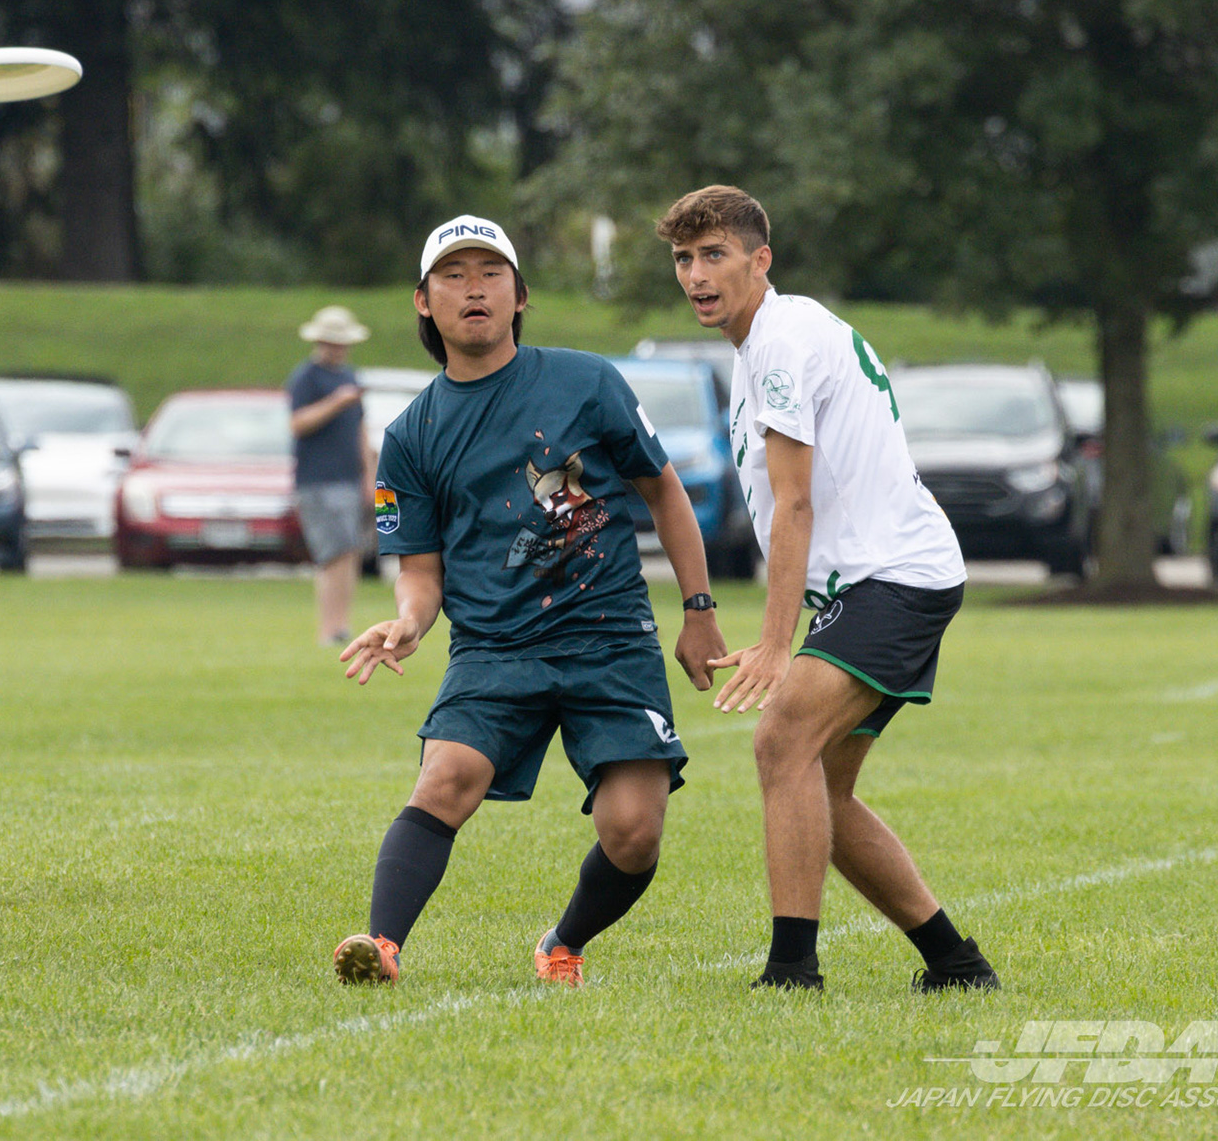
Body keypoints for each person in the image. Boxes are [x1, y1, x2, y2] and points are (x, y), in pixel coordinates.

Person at [331, 215, 727, 988]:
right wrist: (409, 621)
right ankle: (380, 947)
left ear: (519, 296)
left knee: (633, 831)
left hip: (609, 637)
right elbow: (420, 570)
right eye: (453, 275)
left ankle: (562, 943)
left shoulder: (587, 381)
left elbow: (664, 492)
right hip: (495, 647)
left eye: (491, 273)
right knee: (446, 777)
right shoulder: (409, 436)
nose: (473, 288)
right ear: (423, 301)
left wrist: (699, 609)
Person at [656, 184, 999, 992]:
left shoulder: (779, 342)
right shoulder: (767, 340)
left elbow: (795, 504)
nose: (697, 275)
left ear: (760, 260)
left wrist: (777, 646)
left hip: (895, 577)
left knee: (780, 742)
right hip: (881, 580)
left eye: (715, 255)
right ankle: (955, 964)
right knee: (822, 789)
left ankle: (791, 973)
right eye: (683, 258)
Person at [288, 305, 378, 645]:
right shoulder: (306, 377)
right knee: (331, 554)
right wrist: (335, 403)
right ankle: (328, 629)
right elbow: (298, 423)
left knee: (350, 551)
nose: (338, 349)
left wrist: (369, 475)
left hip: (349, 479)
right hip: (318, 481)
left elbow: (360, 429)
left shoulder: (350, 377)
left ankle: (342, 625)